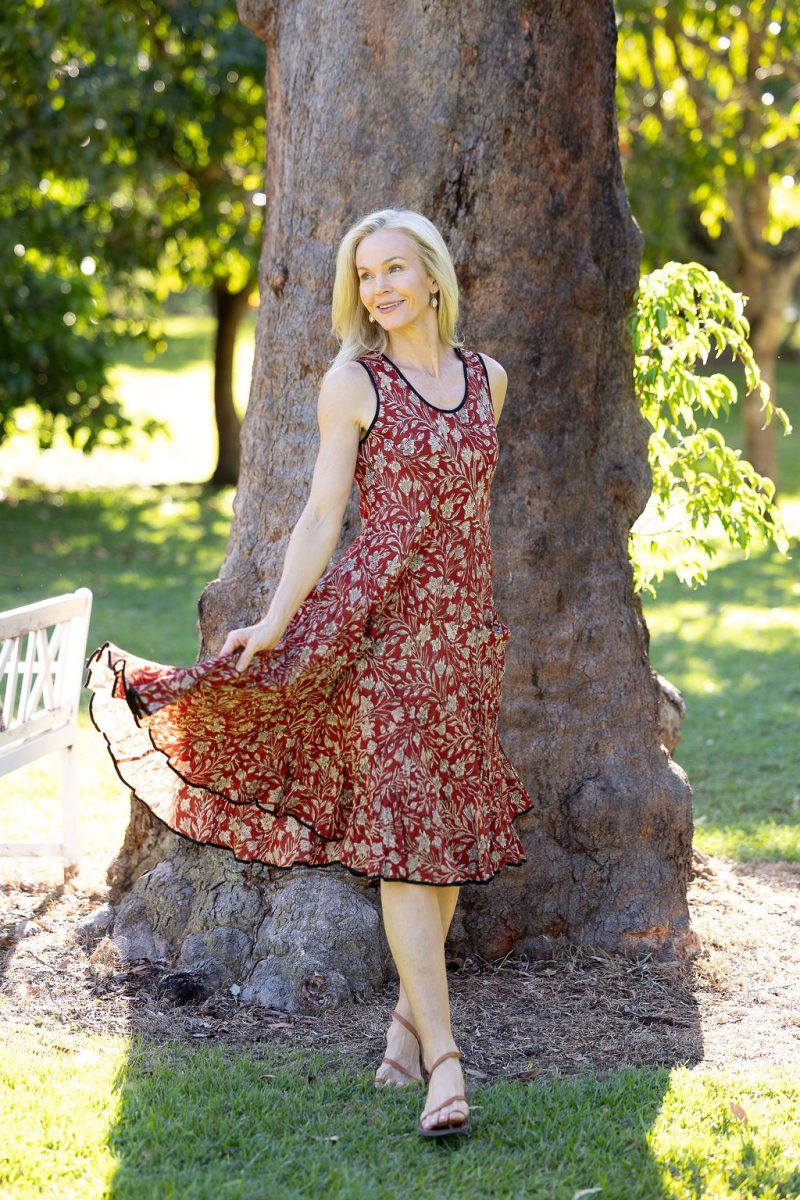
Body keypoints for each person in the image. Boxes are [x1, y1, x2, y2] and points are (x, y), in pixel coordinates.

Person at [85, 207, 533, 1138]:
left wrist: (475, 624)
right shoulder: (352, 385)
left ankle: (406, 1028)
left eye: (395, 269)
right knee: (409, 840)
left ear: (435, 277)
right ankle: (446, 1064)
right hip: (382, 634)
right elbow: (323, 517)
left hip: (465, 637)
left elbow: (469, 517)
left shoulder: (487, 380)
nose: (379, 289)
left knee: (444, 831)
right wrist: (275, 621)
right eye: (365, 276)